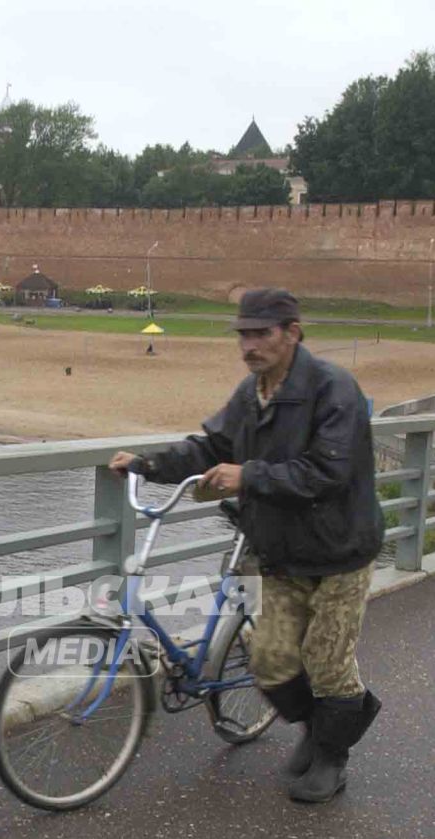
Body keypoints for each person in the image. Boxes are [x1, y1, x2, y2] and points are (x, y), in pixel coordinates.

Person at [108, 288, 384, 803]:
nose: (250, 345)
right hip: (276, 552)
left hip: (339, 552)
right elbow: (211, 447)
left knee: (327, 665)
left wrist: (250, 476)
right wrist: (148, 464)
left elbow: (329, 471)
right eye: (244, 334)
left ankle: (331, 756)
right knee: (270, 661)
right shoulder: (250, 393)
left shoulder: (333, 390)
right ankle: (323, 727)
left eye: (262, 334)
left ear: (293, 333)